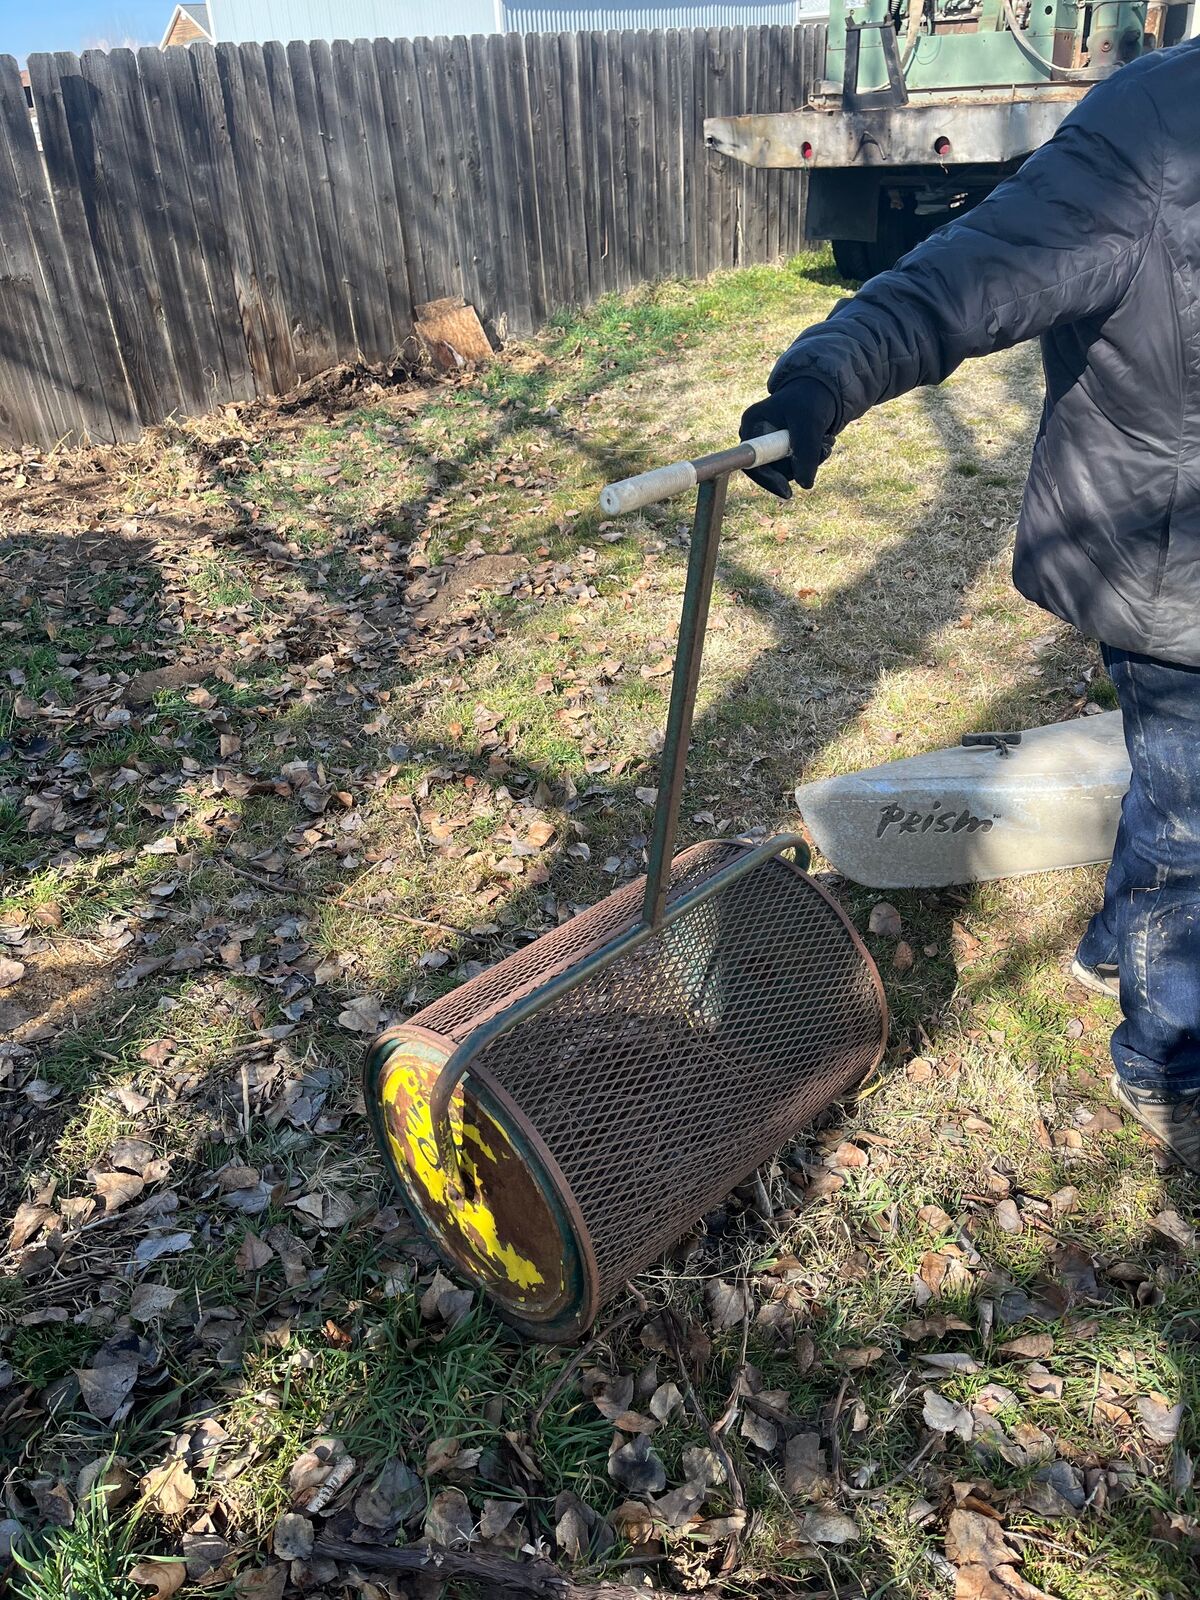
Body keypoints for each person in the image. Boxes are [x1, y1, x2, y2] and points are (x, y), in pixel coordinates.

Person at [738, 37, 1200, 1173]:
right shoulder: (1156, 129)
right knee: (1193, 812)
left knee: (1179, 789)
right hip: (1164, 554)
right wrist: (823, 378)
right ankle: (1167, 1058)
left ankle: (1115, 946)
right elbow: (967, 273)